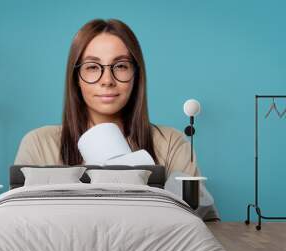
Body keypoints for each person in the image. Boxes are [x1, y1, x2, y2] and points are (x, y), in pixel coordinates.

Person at [15, 19, 219, 220]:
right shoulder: (38, 144)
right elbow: (16, 219)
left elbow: (199, 218)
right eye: (93, 67)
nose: (107, 81)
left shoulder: (171, 143)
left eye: (120, 66)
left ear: (136, 74)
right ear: (76, 77)